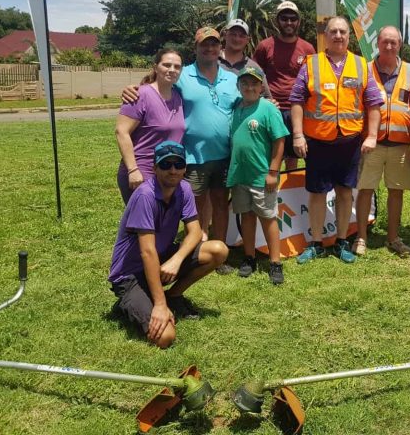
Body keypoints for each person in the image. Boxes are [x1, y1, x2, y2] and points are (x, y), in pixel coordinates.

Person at [122, 27, 240, 243]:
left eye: (214, 44)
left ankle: (219, 249)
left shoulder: (232, 79)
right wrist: (132, 88)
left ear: (220, 48)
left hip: (224, 155)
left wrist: (269, 101)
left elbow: (247, 101)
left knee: (222, 204)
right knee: (193, 207)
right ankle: (194, 248)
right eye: (204, 44)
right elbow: (156, 83)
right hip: (192, 156)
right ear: (195, 47)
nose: (209, 48)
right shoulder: (182, 74)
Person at [108, 141, 228, 348]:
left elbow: (195, 232)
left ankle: (173, 295)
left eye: (178, 164)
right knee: (165, 338)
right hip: (130, 275)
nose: (173, 170)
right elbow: (147, 252)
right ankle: (132, 302)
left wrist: (176, 259)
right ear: (154, 168)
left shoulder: (184, 188)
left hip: (162, 260)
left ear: (185, 167)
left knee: (218, 250)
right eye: (165, 165)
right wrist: (159, 306)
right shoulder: (145, 196)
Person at [289, 16, 382, 265]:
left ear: (349, 37)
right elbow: (296, 99)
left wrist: (372, 136)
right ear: (325, 37)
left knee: (344, 192)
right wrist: (298, 135)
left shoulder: (361, 65)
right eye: (333, 32)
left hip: (350, 142)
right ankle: (316, 243)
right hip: (318, 141)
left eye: (343, 31)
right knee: (317, 193)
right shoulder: (311, 64)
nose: (338, 35)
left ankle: (342, 241)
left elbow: (373, 103)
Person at [352, 26, 410, 257]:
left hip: (400, 144)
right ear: (377, 44)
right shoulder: (365, 69)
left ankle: (393, 237)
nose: (389, 46)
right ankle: (361, 237)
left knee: (396, 192)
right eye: (385, 42)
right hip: (371, 143)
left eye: (394, 42)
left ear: (400, 44)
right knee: (365, 189)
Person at [225, 66, 288, 284]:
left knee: (268, 218)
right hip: (240, 175)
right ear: (238, 86)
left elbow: (280, 141)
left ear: (262, 87)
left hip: (262, 176)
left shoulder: (268, 109)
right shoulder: (236, 108)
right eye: (245, 83)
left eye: (254, 83)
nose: (249, 87)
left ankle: (275, 262)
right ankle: (249, 257)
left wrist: (273, 171)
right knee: (247, 217)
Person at [115, 48, 185, 204]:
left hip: (168, 172)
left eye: (177, 67)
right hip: (142, 172)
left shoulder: (178, 97)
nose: (172, 70)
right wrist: (133, 170)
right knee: (143, 225)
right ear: (155, 67)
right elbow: (121, 131)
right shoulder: (140, 95)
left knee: (162, 223)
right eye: (166, 65)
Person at [253, 0, 316, 170]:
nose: (289, 22)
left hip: (298, 110)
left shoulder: (308, 48)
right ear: (277, 20)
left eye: (293, 18)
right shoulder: (265, 46)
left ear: (298, 21)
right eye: (284, 18)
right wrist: (262, 100)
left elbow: (313, 79)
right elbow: (254, 75)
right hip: (272, 109)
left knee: (294, 156)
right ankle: (271, 193)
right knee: (271, 156)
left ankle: (290, 193)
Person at [219, 18, 272, 98]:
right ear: (225, 35)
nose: (237, 39)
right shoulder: (212, 60)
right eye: (233, 34)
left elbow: (266, 97)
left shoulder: (254, 67)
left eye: (241, 36)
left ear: (248, 40)